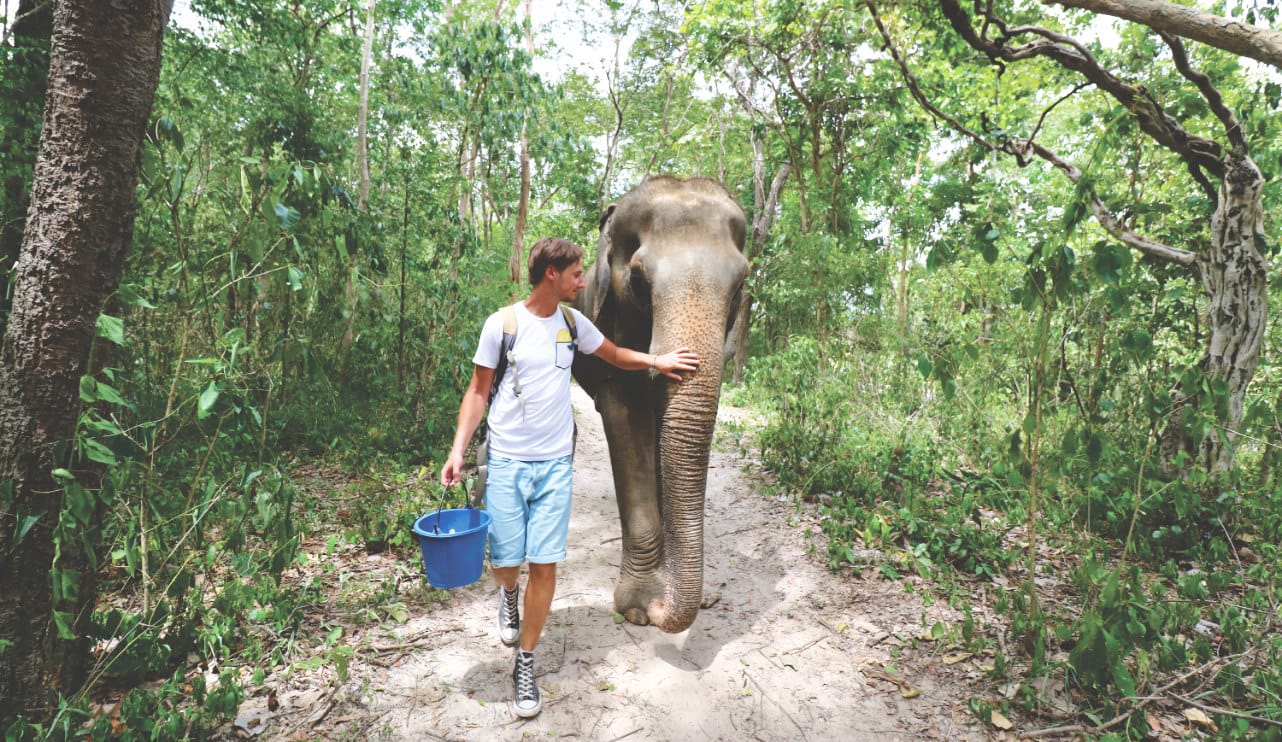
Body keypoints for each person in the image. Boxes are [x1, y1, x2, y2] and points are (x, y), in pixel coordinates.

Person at [439, 236, 699, 719]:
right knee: (505, 565)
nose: (584, 281)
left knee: (545, 566)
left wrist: (658, 361)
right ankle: (507, 595)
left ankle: (526, 663)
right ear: (551, 274)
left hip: (555, 464)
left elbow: (616, 355)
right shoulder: (503, 325)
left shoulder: (572, 324)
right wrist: (457, 450)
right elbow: (477, 392)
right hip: (509, 464)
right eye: (577, 273)